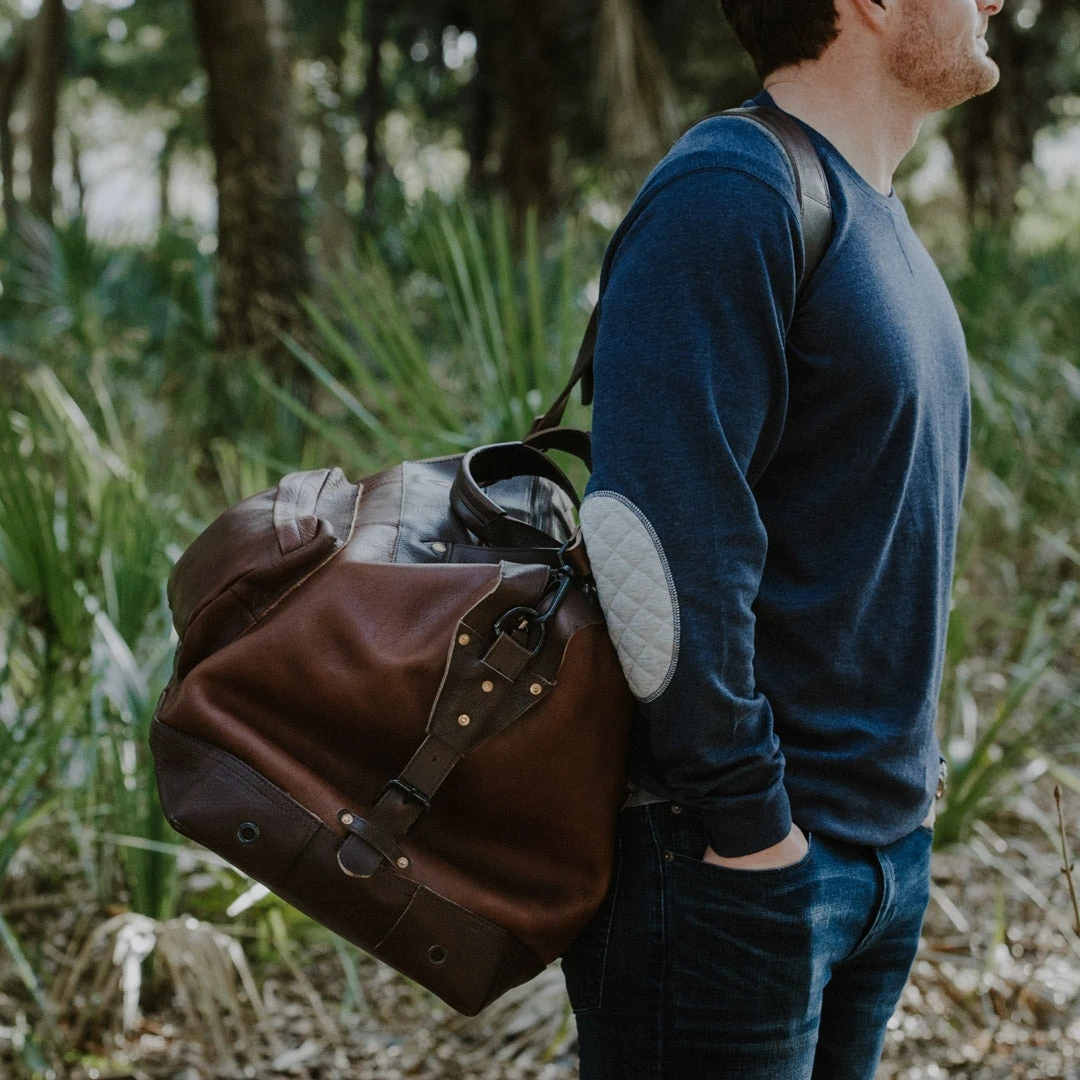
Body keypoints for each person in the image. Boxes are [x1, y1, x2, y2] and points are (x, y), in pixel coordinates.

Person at [565, 1, 1004, 1077]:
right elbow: (656, 541)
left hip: (872, 859)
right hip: (730, 868)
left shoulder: (878, 218)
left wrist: (904, 798)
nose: (993, 0)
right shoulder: (732, 192)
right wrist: (751, 827)